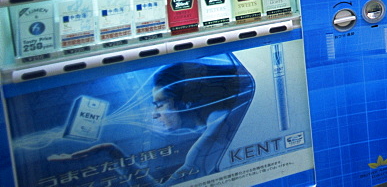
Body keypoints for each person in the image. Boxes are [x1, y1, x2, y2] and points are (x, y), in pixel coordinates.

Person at [52, 59, 255, 186]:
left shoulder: (216, 131)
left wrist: (112, 153)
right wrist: (112, 151)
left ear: (185, 102)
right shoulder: (220, 119)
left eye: (159, 104)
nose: (154, 115)